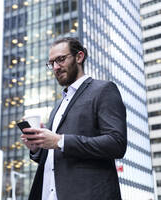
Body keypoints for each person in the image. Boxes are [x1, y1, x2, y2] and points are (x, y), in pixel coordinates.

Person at [21, 37, 127, 200]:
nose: (56, 67)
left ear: (79, 57)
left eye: (61, 59)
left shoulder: (103, 90)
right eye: (52, 63)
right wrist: (36, 147)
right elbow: (55, 156)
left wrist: (60, 141)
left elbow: (117, 143)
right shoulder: (58, 106)